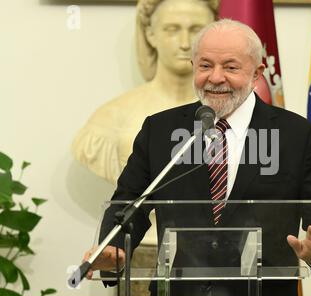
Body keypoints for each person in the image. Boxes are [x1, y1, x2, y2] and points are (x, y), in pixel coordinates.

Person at [83, 19, 311, 296]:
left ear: (257, 73)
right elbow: (129, 203)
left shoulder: (295, 135)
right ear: (193, 67)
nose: (215, 77)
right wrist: (113, 247)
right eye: (205, 65)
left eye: (230, 67)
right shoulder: (161, 130)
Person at [72, 0, 217, 184]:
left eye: (196, 30)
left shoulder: (233, 112)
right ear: (150, 34)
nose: (185, 43)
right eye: (172, 29)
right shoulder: (111, 118)